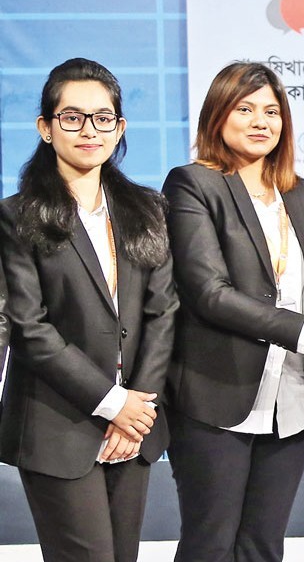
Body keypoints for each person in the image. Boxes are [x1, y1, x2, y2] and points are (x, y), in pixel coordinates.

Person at [162, 62, 304, 562]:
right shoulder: (192, 185)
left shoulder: (303, 194)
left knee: (262, 545)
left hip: (289, 402)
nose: (261, 121)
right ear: (218, 115)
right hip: (215, 397)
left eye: (272, 111)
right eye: (245, 108)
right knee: (209, 544)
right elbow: (209, 293)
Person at [0, 57, 177, 562]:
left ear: (119, 128)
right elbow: (32, 329)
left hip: (137, 425)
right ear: (46, 128)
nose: (89, 130)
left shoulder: (149, 210)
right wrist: (111, 403)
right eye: (72, 118)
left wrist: (137, 406)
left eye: (102, 118)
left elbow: (163, 312)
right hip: (59, 426)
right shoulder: (17, 218)